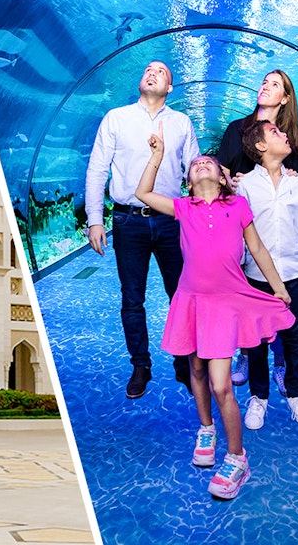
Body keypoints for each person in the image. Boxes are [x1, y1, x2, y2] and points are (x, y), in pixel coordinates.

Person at [135, 127, 294, 500]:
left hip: (225, 302)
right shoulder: (182, 208)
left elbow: (257, 249)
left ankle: (237, 458)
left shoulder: (237, 206)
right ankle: (206, 427)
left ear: (224, 177)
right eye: (195, 165)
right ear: (188, 182)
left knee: (222, 383)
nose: (203, 164)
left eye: (210, 163)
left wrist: (279, 287)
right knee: (196, 369)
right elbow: (141, 194)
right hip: (191, 301)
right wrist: (157, 157)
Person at [85, 60, 201, 399]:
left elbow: (195, 172)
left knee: (180, 295)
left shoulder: (181, 123)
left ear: (169, 88)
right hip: (127, 220)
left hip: (170, 219)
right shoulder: (116, 118)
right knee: (132, 299)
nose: (151, 72)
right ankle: (141, 365)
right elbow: (97, 170)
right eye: (147, 69)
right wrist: (95, 218)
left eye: (161, 72)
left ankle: (184, 361)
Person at [216, 69, 298, 388]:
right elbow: (222, 172)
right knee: (248, 296)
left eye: (274, 85)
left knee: (280, 299)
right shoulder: (236, 129)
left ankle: (280, 361)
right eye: (264, 82)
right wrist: (233, 182)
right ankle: (248, 352)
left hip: (276, 234)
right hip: (240, 229)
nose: (265, 87)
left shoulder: (287, 141)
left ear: (285, 98)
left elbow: (294, 183)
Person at [237, 120, 298, 428]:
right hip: (256, 276)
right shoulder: (245, 185)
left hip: (295, 274)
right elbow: (240, 235)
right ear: (261, 146)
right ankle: (259, 397)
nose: (284, 135)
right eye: (275, 133)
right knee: (256, 340)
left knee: (294, 336)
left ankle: (296, 395)